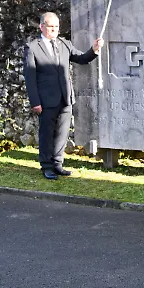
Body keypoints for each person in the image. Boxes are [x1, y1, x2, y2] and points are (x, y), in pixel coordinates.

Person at [22, 12, 103, 180]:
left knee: (62, 133)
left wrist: (94, 50)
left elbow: (81, 58)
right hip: (45, 100)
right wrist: (35, 101)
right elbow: (30, 77)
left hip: (65, 98)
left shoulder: (64, 44)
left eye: (57, 27)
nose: (54, 30)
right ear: (41, 27)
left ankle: (58, 164)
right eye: (51, 27)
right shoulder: (33, 48)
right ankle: (47, 166)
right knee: (47, 134)